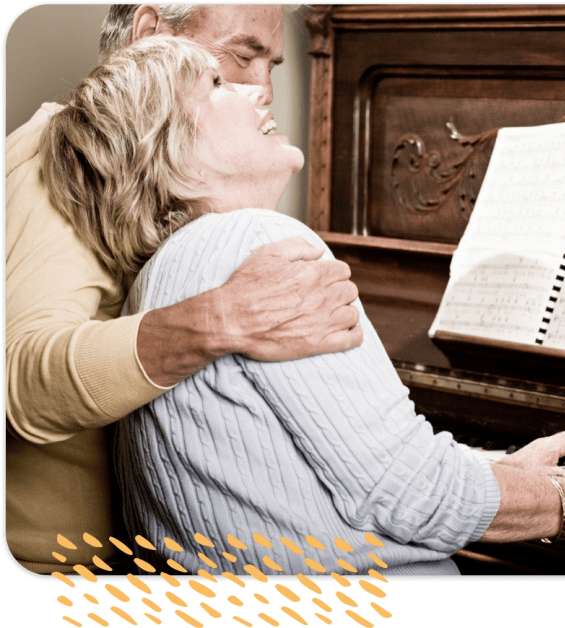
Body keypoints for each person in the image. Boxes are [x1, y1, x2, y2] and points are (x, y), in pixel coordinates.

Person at [40, 35, 565, 577]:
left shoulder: (171, 268)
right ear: (166, 150)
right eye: (216, 85)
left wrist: (506, 468)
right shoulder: (261, 247)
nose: (257, 90)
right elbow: (412, 500)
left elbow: (336, 468)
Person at [4, 4, 362, 575]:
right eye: (240, 58)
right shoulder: (64, 152)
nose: (263, 89)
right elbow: (20, 380)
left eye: (271, 64)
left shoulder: (169, 187)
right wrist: (219, 319)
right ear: (149, 33)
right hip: (62, 576)